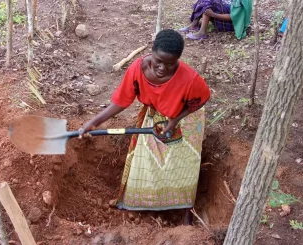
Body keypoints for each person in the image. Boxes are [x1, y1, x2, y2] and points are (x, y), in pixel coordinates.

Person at [80, 29, 210, 224]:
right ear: (152, 52)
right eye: (159, 61)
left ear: (178, 60)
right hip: (157, 117)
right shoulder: (137, 70)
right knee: (149, 162)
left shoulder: (189, 78)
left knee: (183, 166)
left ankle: (186, 210)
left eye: (171, 64)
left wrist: (176, 120)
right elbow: (122, 101)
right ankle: (148, 204)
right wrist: (94, 122)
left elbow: (201, 99)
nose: (163, 68)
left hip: (185, 118)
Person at [179, 0, 252, 40]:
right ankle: (194, 24)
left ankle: (202, 32)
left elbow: (235, 17)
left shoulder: (244, 1)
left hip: (232, 24)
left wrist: (213, 14)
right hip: (220, 17)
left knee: (207, 5)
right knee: (206, 2)